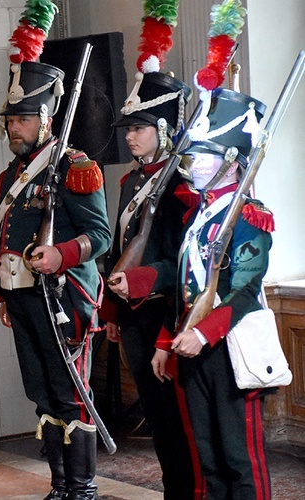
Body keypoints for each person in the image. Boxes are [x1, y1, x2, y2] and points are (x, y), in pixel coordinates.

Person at [0, 59, 111, 500]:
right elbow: (5, 237)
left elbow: (101, 235)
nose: (14, 128)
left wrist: (60, 254)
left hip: (64, 298)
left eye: (22, 119)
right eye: (11, 120)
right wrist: (2, 293)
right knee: (42, 394)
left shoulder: (75, 166)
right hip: (23, 298)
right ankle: (60, 487)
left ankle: (82, 489)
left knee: (70, 394)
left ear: (45, 119)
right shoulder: (11, 176)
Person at [151, 88, 274, 499]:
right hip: (191, 348)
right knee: (207, 458)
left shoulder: (249, 216)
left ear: (231, 162)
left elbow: (245, 289)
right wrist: (167, 341)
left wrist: (202, 333)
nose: (193, 164)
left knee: (241, 461)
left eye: (205, 155)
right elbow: (187, 289)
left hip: (229, 346)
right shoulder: (198, 216)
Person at [102, 71, 200, 499]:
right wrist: (112, 313)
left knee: (177, 416)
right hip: (134, 315)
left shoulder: (183, 183)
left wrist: (139, 284)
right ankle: (171, 487)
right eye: (129, 130)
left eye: (139, 128)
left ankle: (187, 490)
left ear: (163, 129)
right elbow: (120, 247)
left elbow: (182, 256)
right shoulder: (131, 182)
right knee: (157, 419)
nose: (130, 138)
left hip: (168, 313)